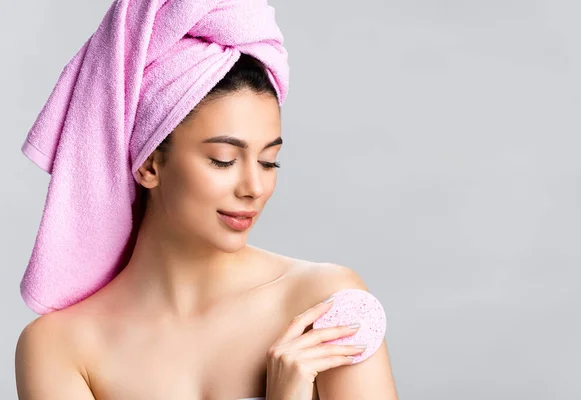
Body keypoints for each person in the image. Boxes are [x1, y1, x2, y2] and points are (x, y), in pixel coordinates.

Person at [15, 2, 398, 400]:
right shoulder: (59, 347)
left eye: (269, 161)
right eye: (224, 160)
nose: (254, 186)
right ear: (149, 164)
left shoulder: (325, 304)